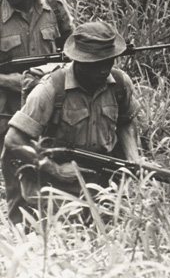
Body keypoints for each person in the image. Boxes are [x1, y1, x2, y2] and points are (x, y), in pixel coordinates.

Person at [1, 21, 141, 224]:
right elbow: (14, 141)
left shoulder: (119, 83)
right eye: (96, 63)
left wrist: (133, 157)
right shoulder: (51, 89)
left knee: (120, 227)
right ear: (79, 60)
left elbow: (126, 121)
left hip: (100, 179)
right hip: (55, 183)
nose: (103, 70)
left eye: (108, 61)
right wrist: (54, 170)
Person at [0, 0, 74, 138]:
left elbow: (72, 51)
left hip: (51, 108)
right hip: (7, 112)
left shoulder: (53, 5)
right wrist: (11, 81)